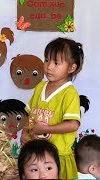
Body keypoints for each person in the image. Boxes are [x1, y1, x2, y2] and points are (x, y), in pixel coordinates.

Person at [20, 37, 84, 179]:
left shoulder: (70, 93)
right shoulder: (40, 87)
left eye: (56, 63)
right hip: (36, 158)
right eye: (47, 60)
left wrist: (45, 129)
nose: (49, 67)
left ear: (71, 68)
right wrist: (24, 133)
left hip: (57, 159)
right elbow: (30, 114)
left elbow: (73, 124)